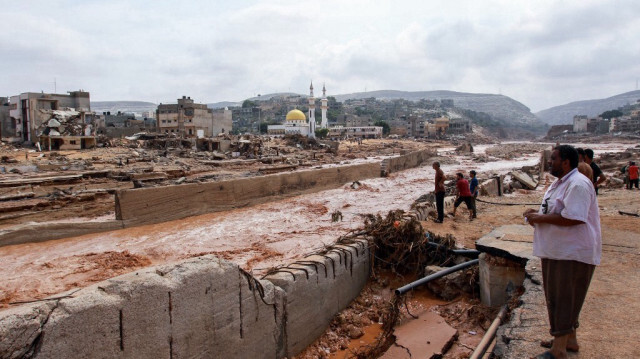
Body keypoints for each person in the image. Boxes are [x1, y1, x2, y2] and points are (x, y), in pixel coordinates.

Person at [524, 145, 601, 359]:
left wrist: (540, 218)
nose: (550, 162)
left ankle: (558, 350)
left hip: (571, 252)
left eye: (554, 159)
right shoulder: (561, 183)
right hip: (557, 250)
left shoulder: (578, 184)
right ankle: (569, 340)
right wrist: (536, 215)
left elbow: (573, 217)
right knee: (561, 297)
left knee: (564, 298)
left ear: (566, 162)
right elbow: (554, 212)